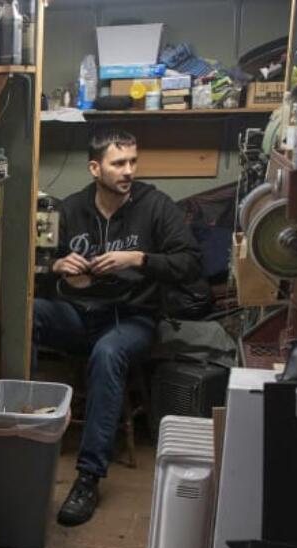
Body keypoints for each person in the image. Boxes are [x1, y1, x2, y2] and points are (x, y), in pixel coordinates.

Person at [34, 128, 202, 527]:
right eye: (118, 163)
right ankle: (21, 427)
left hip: (132, 320)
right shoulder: (72, 208)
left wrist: (139, 258)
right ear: (95, 168)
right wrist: (56, 266)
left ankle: (88, 478)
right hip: (78, 315)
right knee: (27, 313)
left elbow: (190, 263)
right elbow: (41, 269)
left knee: (108, 353)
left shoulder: (156, 206)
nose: (128, 171)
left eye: (132, 162)